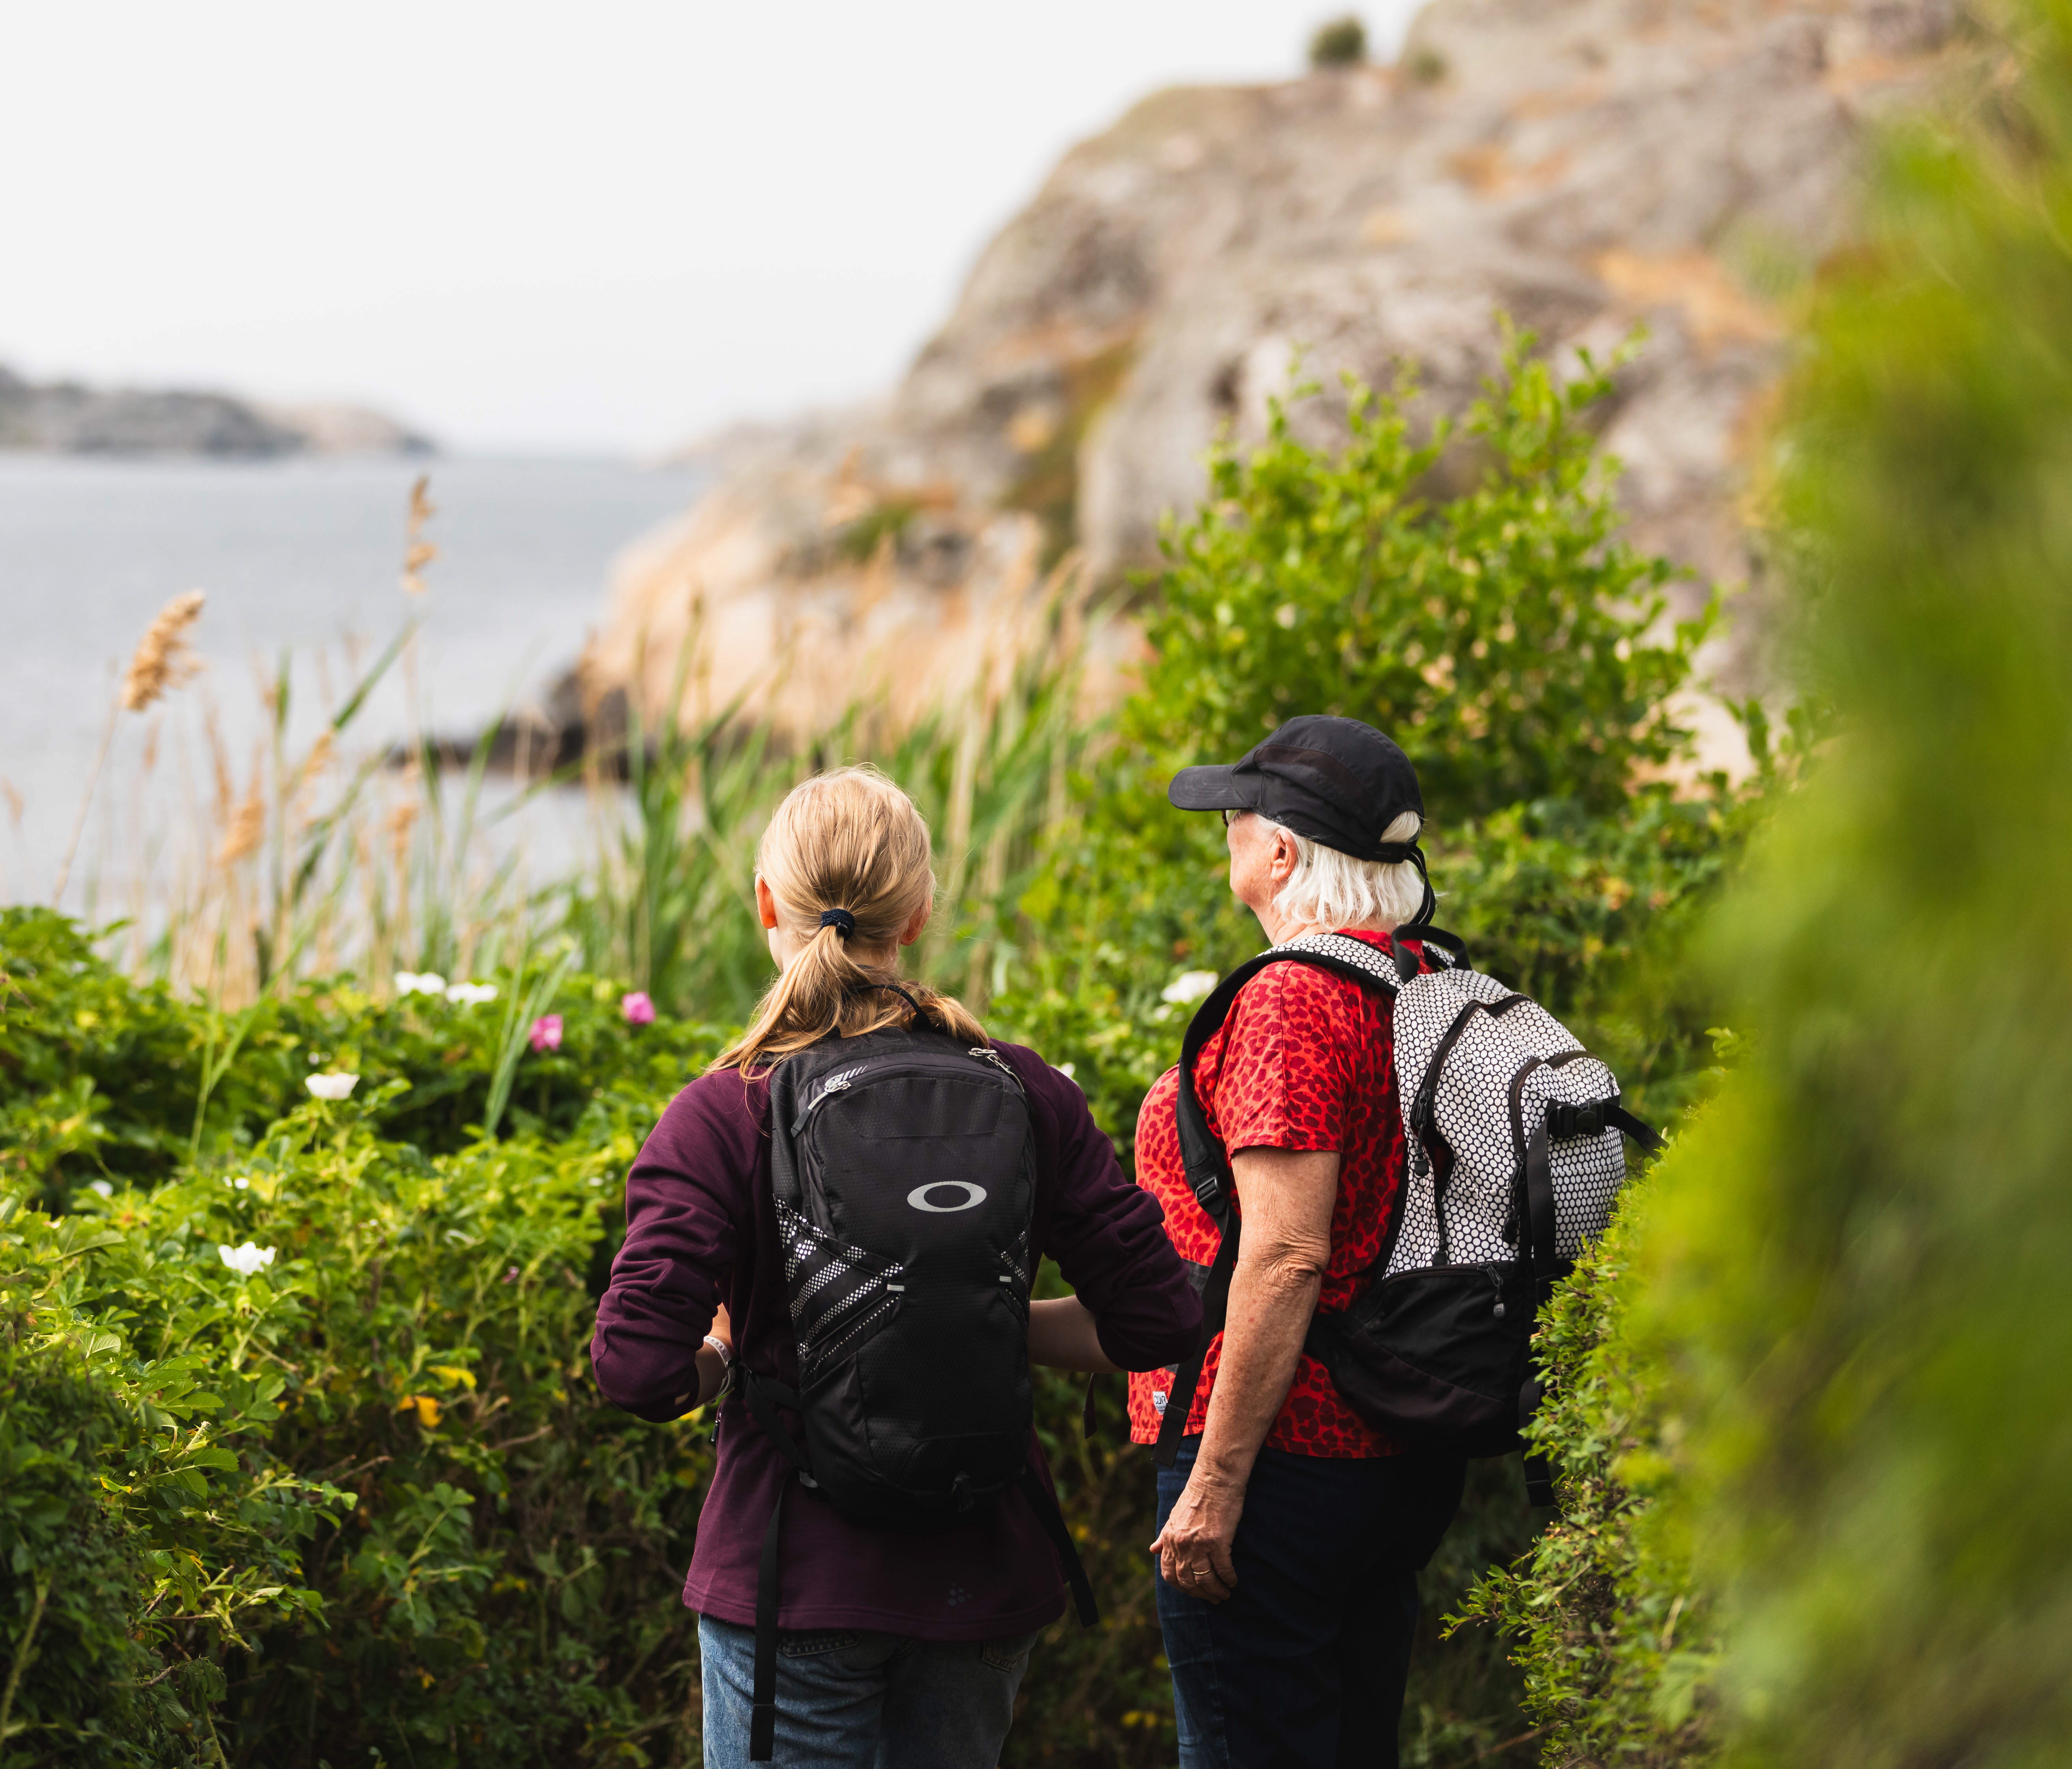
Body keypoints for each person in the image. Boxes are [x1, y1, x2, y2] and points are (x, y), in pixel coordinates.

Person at [590, 764, 1200, 1769]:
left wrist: (723, 1348)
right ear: (916, 914)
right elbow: (1160, 1322)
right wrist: (980, 1311)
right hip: (985, 1572)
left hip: (790, 1581)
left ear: (764, 906)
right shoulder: (1025, 1090)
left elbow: (635, 1369)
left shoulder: (721, 1113)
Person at [1130, 715, 1470, 1769]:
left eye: (1237, 818)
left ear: (1280, 852)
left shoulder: (1293, 1001)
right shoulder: (1429, 982)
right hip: (1401, 1452)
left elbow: (1284, 1255)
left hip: (1278, 1460)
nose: (1225, 833)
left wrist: (1218, 1484)